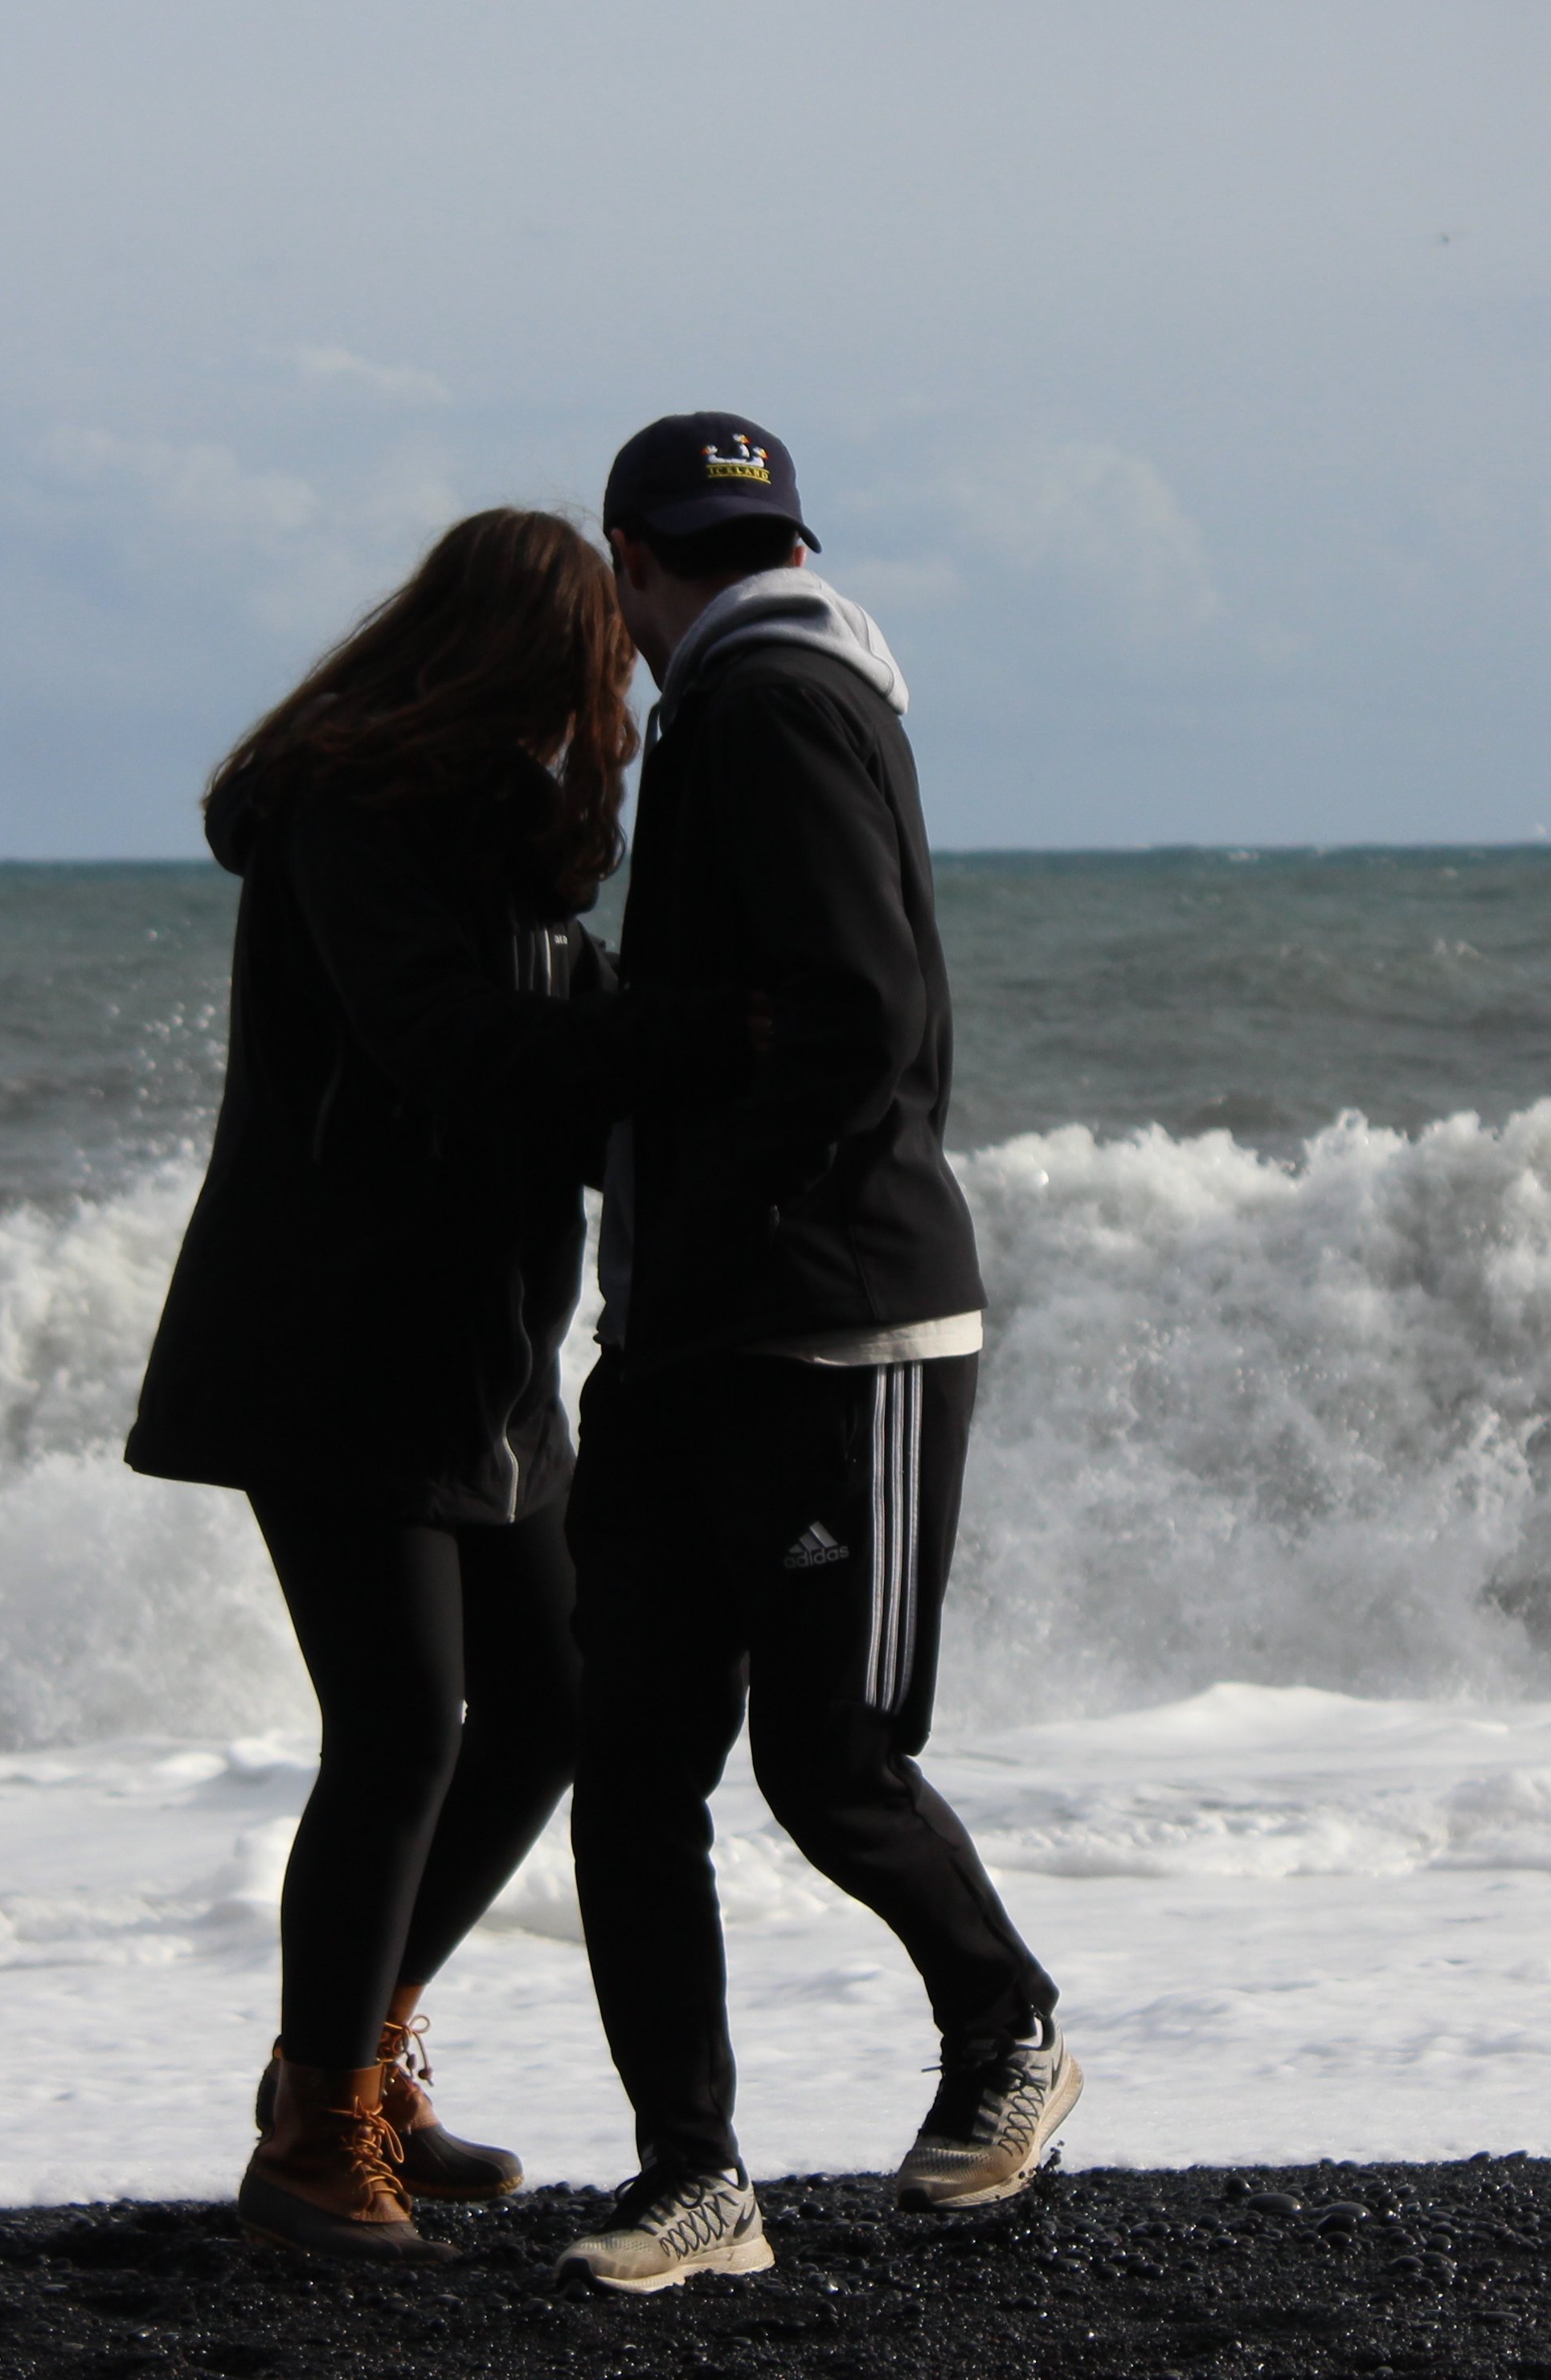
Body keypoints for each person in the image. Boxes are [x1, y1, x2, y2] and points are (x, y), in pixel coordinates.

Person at [125, 506, 750, 2264]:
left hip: (478, 1360)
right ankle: (317, 2136)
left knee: (550, 1705)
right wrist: (695, 1044)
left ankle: (356, 2049)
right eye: (599, 656)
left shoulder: (502, 837)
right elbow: (455, 1050)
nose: (617, 686)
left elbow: (574, 1024)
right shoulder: (357, 810)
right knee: (399, 1727)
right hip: (331, 1343)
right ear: (525, 650)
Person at [552, 415, 1078, 2298]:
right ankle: (695, 2180)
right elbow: (769, 1012)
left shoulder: (768, 704)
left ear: (628, 568)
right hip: (707, 1325)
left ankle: (1009, 2025)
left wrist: (710, 1210)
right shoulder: (749, 697)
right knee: (631, 1764)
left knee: (829, 1758)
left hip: (835, 1325)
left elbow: (864, 1017)